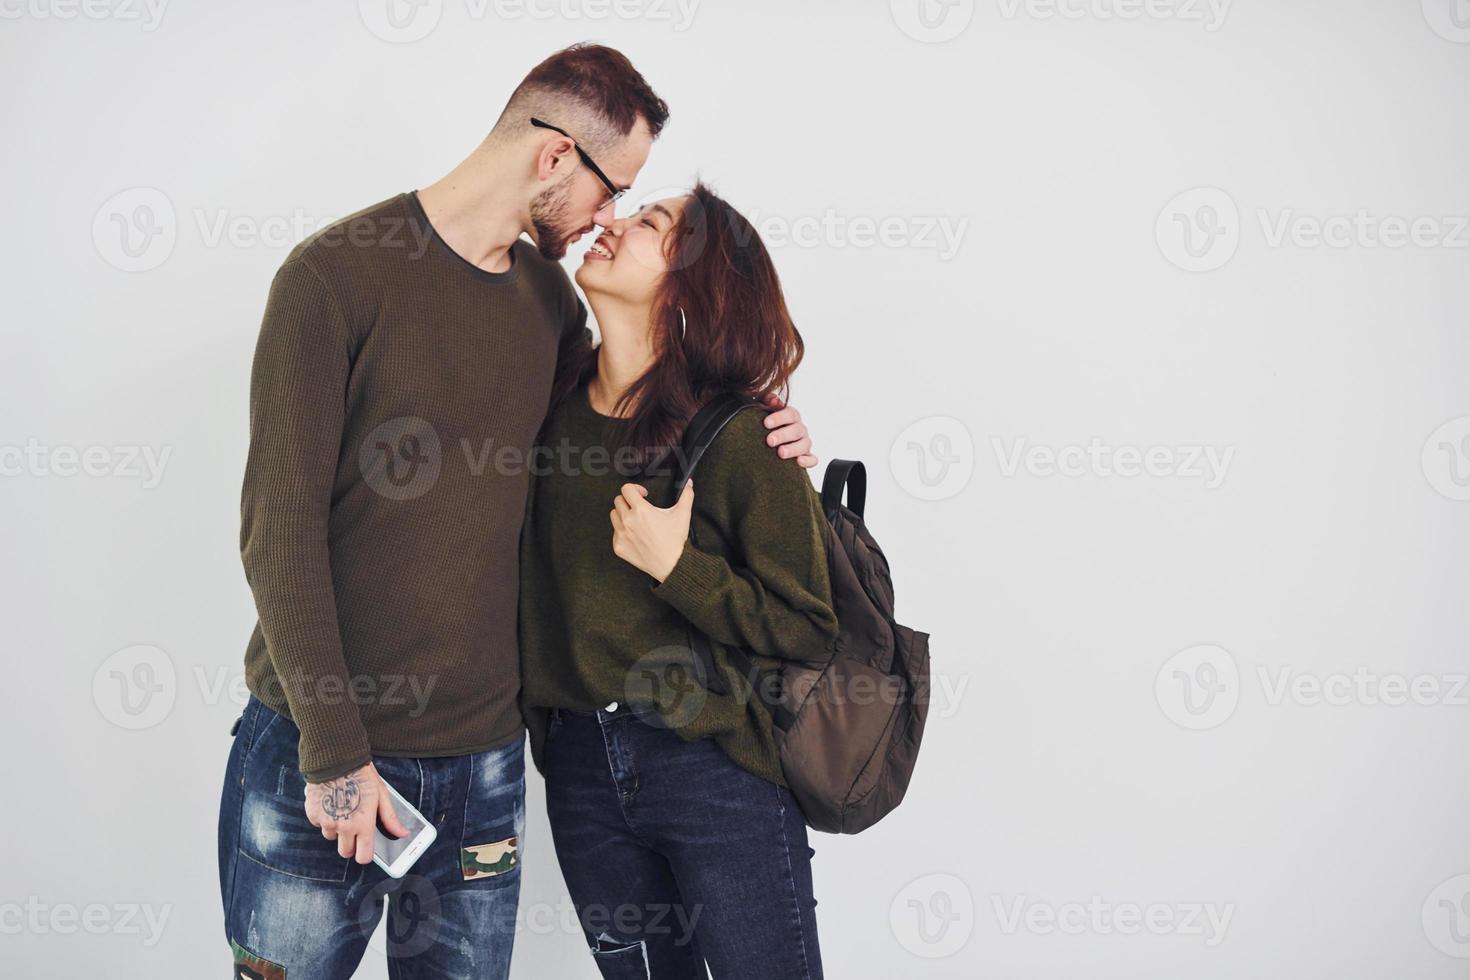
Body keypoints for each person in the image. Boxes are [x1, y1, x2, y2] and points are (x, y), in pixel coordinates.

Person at [218, 45, 817, 980]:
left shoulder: (550, 308)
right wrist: (335, 754)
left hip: (481, 773)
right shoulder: (331, 277)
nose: (606, 218)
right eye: (613, 187)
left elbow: (630, 417)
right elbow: (275, 531)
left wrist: (760, 417)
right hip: (318, 751)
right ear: (553, 159)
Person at [520, 183, 836, 980]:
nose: (610, 223)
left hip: (713, 768)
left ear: (696, 280)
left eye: (648, 222)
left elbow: (807, 627)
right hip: (584, 773)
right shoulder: (545, 409)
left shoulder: (741, 433)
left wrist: (677, 570)